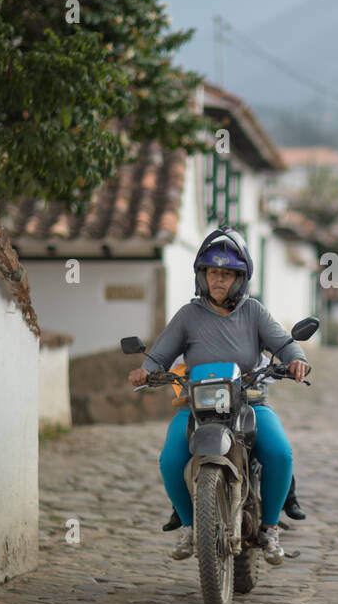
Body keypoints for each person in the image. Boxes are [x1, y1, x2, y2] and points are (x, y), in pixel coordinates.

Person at [126, 227, 309, 564]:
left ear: (240, 279)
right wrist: (146, 368)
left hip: (250, 401)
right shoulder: (188, 315)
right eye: (213, 273)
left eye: (227, 274)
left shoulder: (254, 311)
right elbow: (160, 355)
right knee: (170, 461)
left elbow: (283, 343)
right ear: (202, 275)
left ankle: (269, 528)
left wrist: (296, 360)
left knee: (280, 454)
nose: (219, 280)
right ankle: (191, 528)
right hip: (197, 406)